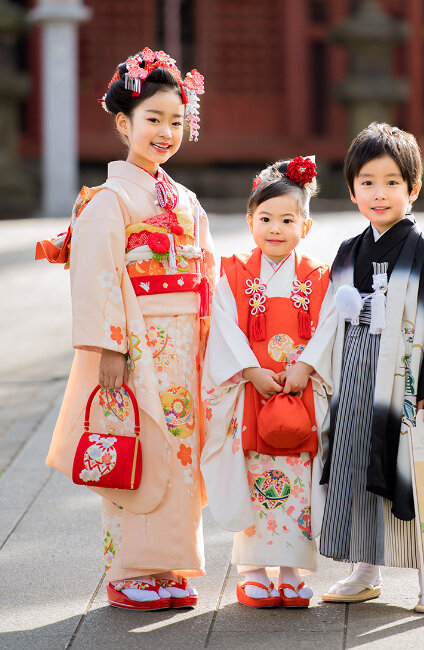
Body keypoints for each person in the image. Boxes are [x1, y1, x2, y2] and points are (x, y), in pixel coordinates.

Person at [36, 47, 216, 611]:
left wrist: (216, 337)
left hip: (185, 343)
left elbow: (206, 270)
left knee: (182, 448)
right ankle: (127, 570)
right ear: (124, 123)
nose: (165, 131)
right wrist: (107, 345)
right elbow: (96, 277)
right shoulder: (109, 200)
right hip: (138, 343)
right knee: (136, 446)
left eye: (176, 121)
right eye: (153, 119)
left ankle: (169, 563)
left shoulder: (183, 199)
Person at [318, 123, 424, 611]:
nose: (379, 194)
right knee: (356, 468)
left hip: (404, 385)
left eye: (391, 182)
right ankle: (365, 568)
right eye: (367, 182)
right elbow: (327, 324)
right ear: (352, 189)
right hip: (356, 379)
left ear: (413, 188)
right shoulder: (348, 252)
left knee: (411, 472)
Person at [200, 157, 337, 608]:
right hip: (249, 394)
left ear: (306, 226)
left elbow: (330, 326)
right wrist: (251, 370)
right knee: (253, 471)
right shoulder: (233, 272)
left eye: (287, 219)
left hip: (299, 394)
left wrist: (306, 367)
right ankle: (252, 568)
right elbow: (222, 326)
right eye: (265, 218)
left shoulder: (319, 277)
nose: (275, 228)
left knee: (298, 473)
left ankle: (292, 569)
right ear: (249, 221)